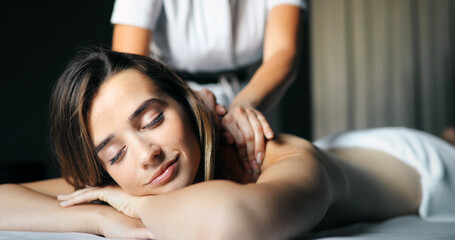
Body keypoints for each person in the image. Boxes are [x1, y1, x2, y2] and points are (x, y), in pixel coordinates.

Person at [1, 48, 454, 240]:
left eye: (154, 119)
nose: (145, 154)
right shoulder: (119, 183)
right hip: (347, 149)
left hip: (419, 165)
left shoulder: (279, 157)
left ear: (190, 103)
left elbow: (232, 220)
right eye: (115, 153)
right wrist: (100, 216)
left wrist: (127, 205)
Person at [110, 0, 305, 173]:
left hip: (253, 92)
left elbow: (283, 52)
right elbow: (128, 69)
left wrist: (244, 105)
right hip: (173, 99)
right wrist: (188, 102)